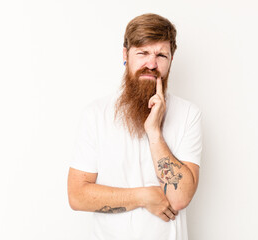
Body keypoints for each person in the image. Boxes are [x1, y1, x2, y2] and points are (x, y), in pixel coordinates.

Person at [67, 13, 202, 240]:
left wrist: (154, 133)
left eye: (161, 55)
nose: (152, 63)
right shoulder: (96, 114)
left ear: (171, 61)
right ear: (125, 55)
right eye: (143, 53)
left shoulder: (189, 114)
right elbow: (77, 196)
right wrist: (144, 196)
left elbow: (180, 198)